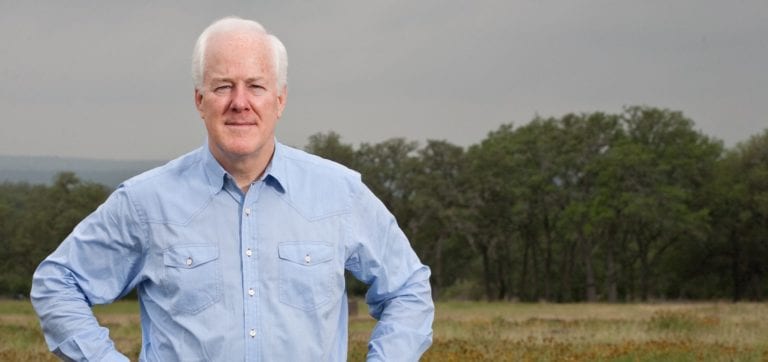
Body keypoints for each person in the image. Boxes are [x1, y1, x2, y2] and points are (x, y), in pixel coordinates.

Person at [31, 16, 434, 361]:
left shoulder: (340, 193)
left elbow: (407, 290)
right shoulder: (145, 202)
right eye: (223, 86)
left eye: (256, 86)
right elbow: (57, 283)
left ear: (280, 99)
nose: (240, 102)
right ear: (199, 100)